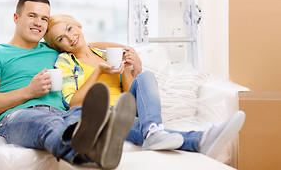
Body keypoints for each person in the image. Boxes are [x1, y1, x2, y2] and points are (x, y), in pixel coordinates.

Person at [44, 13, 246, 158]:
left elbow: (130, 95)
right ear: (58, 46)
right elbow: (72, 103)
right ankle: (196, 139)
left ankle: (153, 131)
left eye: (70, 29)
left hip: (128, 108)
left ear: (78, 26)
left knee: (145, 77)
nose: (70, 37)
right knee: (116, 116)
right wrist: (98, 72)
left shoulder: (105, 54)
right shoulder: (66, 62)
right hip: (104, 114)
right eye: (61, 38)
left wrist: (126, 68)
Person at [0, 0, 137, 169]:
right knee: (51, 124)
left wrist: (129, 51)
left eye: (44, 18)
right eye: (32, 16)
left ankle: (157, 137)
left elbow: (85, 45)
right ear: (16, 18)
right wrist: (29, 91)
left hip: (63, 114)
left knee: (87, 116)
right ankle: (90, 153)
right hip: (19, 116)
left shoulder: (55, 51)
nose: (38, 23)